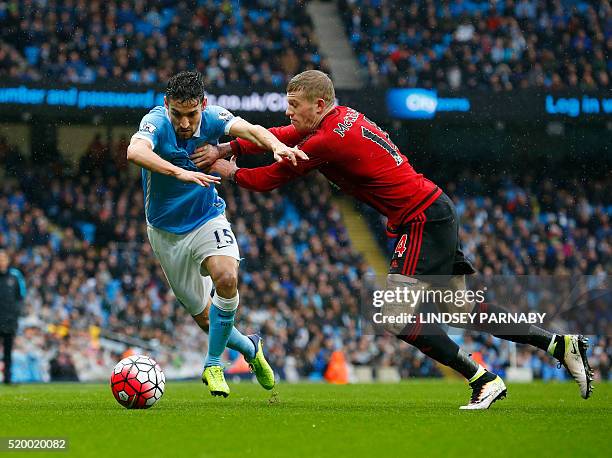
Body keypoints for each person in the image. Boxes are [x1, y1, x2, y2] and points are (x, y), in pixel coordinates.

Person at [195, 70, 594, 409]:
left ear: (318, 105)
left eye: (294, 103)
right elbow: (282, 134)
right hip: (433, 209)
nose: (288, 110)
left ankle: (483, 380)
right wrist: (231, 145)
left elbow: (272, 177)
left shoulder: (328, 139)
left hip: (421, 219)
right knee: (462, 309)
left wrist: (228, 170)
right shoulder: (341, 118)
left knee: (396, 315)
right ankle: (560, 345)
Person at [127, 70, 305, 397]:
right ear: (166, 106)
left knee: (226, 278)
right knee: (208, 321)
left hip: (208, 217)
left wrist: (276, 145)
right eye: (177, 114)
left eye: (191, 114)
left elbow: (249, 129)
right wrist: (179, 172)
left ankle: (213, 364)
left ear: (203, 105)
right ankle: (251, 349)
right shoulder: (155, 122)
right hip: (166, 233)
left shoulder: (212, 117)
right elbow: (135, 152)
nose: (184, 123)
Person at [0, 249, 26, 385]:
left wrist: (16, 316)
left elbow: (21, 296)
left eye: (3, 258)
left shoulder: (15, 276)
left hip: (9, 320)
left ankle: (7, 378)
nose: (1, 261)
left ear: (7, 260)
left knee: (8, 352)